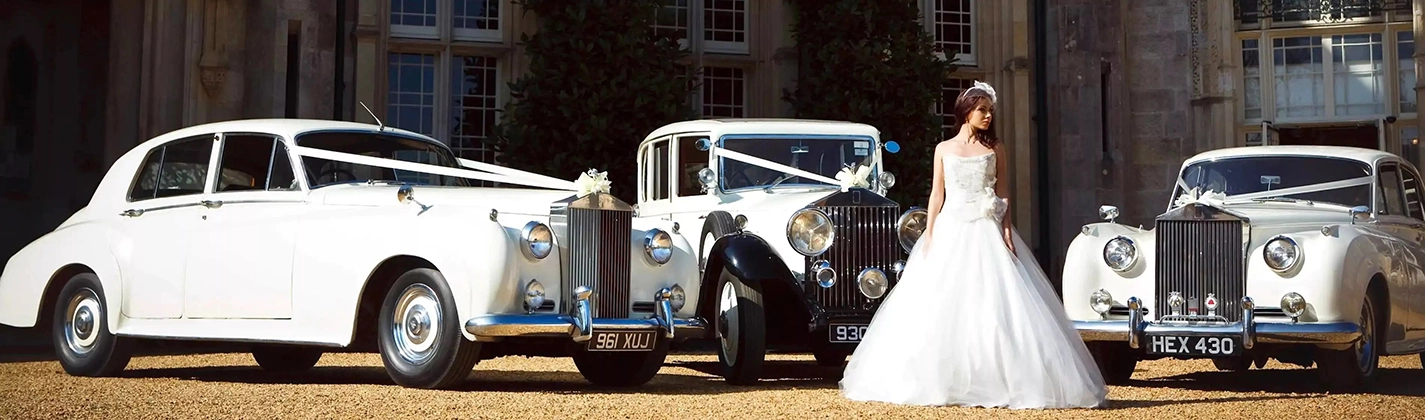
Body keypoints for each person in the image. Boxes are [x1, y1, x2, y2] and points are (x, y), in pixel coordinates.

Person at [838, 81, 1108, 409]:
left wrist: (1006, 231)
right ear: (966, 112)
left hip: (986, 229)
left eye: (990, 111)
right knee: (939, 302)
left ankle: (1000, 377)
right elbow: (937, 193)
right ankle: (938, 378)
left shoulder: (996, 149)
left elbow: (1005, 192)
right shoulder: (943, 148)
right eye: (982, 110)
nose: (988, 117)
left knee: (994, 303)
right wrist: (932, 230)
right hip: (951, 226)